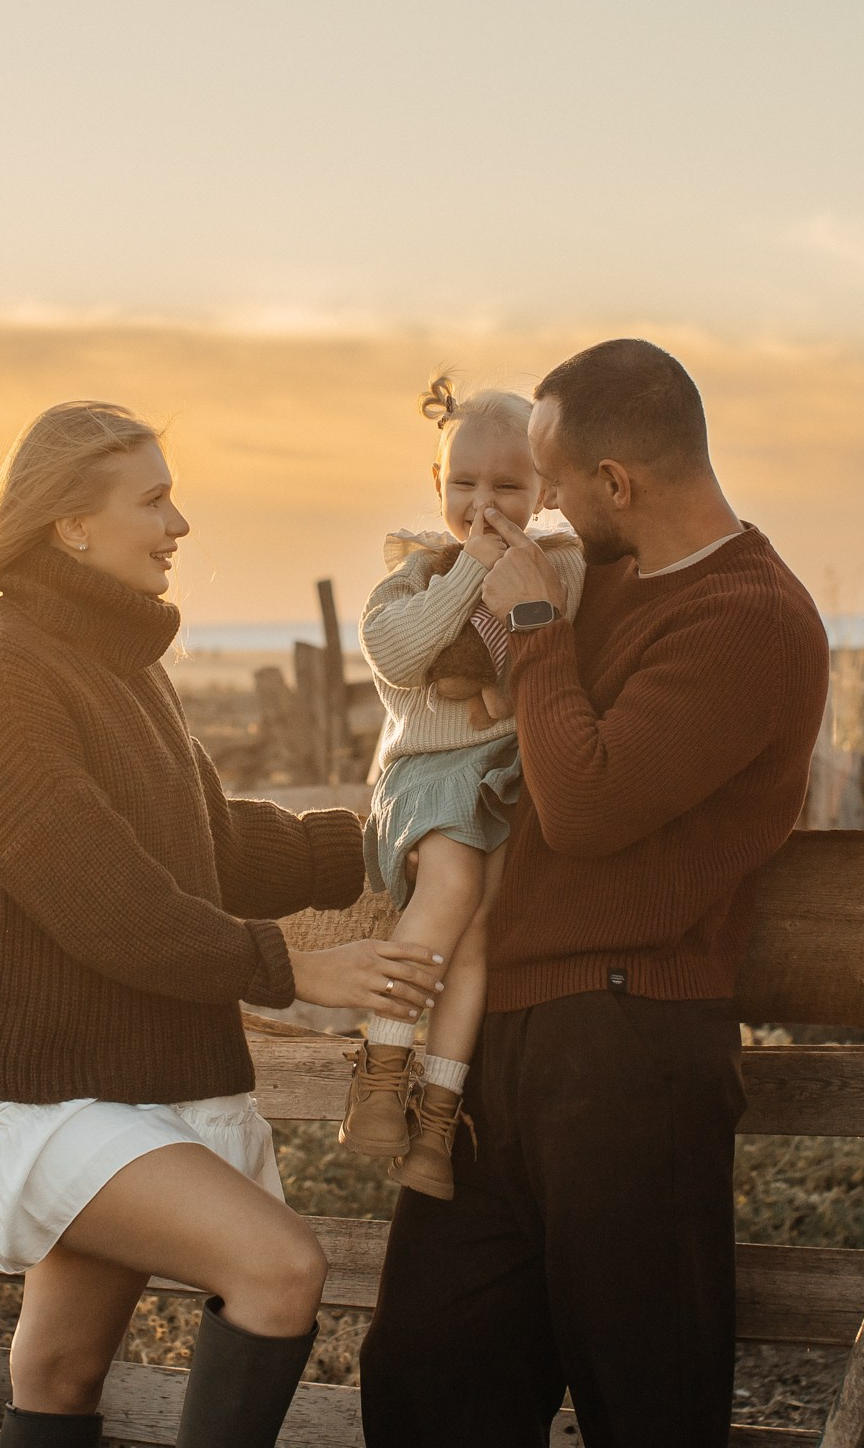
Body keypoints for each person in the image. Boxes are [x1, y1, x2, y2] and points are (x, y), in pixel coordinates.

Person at [0, 400, 445, 1448]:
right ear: (71, 525)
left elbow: (213, 844)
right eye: (152, 501)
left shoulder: (123, 664)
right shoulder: (2, 672)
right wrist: (292, 967)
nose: (179, 525)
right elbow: (105, 899)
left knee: (58, 1370)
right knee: (279, 1268)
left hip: (118, 1072)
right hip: (39, 1092)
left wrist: (383, 843)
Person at [359, 341, 831, 1446]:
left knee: (644, 1404)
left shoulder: (749, 618)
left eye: (555, 482)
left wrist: (533, 628)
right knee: (425, 1380)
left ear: (614, 481)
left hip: (629, 1053)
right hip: (500, 1046)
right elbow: (464, 721)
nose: (542, 510)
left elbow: (585, 803)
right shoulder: (588, 577)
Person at [341, 376, 585, 1200]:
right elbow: (399, 655)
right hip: (430, 774)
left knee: (478, 935)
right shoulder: (414, 572)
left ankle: (436, 1122)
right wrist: (467, 571)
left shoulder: (561, 565)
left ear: (546, 490)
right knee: (447, 891)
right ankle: (382, 1073)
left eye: (509, 487)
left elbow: (562, 651)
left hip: (505, 780)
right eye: (464, 484)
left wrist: (525, 581)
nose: (483, 505)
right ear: (437, 482)